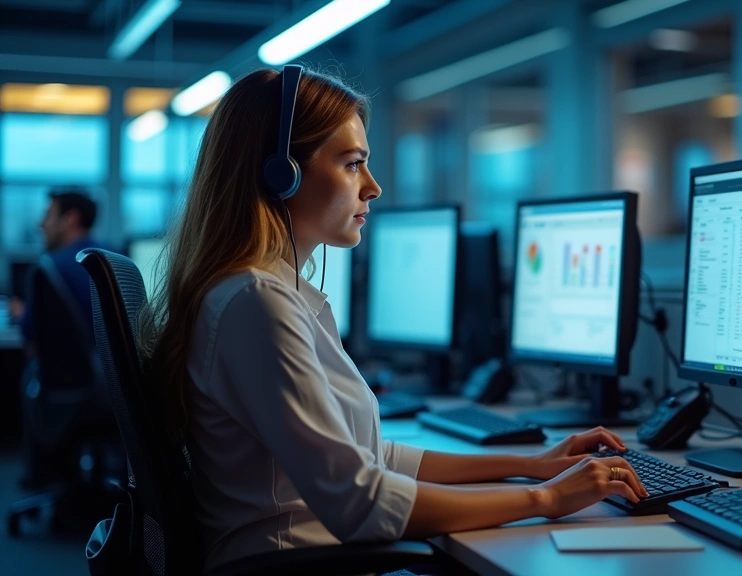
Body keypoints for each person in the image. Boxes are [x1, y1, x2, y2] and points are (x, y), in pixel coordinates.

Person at [137, 67, 648, 572]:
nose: (373, 187)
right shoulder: (256, 303)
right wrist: (546, 499)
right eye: (353, 164)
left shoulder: (266, 295)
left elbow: (370, 458)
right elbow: (362, 504)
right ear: (280, 174)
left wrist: (531, 467)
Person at [10, 189, 102, 355]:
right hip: (111, 368)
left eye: (48, 216)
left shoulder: (50, 267)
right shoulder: (114, 257)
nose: (41, 225)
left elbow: (30, 331)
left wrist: (21, 313)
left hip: (71, 367)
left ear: (70, 218)